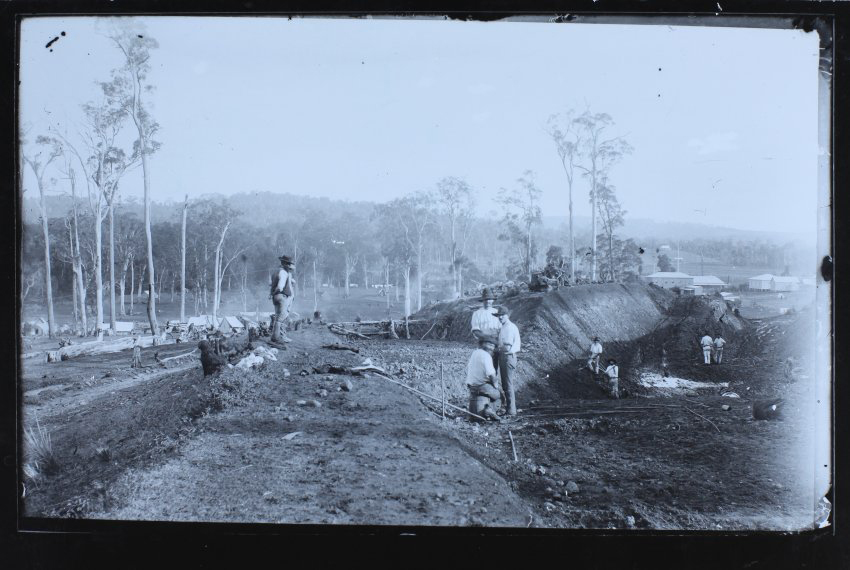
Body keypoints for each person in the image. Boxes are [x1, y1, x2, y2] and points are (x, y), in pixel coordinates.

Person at [465, 336, 502, 422]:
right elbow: (492, 375)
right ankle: (489, 410)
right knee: (498, 395)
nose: (492, 349)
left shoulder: (475, 353)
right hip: (481, 386)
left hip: (471, 385)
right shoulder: (486, 356)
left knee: (475, 398)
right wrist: (496, 386)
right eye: (492, 346)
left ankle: (472, 414)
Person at [496, 306, 520, 417]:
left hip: (507, 357)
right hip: (505, 357)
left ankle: (511, 410)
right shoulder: (504, 327)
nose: (500, 317)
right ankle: (509, 408)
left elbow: (506, 347)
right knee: (506, 384)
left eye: (502, 315)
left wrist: (495, 349)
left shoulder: (509, 328)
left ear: (507, 315)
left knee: (508, 384)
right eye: (498, 315)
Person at [471, 288, 501, 373]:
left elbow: (501, 329)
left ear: (493, 300)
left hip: (495, 344)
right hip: (484, 344)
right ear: (483, 301)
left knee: (494, 369)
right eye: (486, 300)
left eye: (489, 299)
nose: (488, 302)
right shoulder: (477, 314)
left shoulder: (497, 312)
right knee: (484, 368)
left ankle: (494, 385)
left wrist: (497, 341)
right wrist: (487, 338)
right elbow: (476, 331)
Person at [270, 255, 295, 345]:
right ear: (284, 263)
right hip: (281, 296)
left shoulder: (275, 272)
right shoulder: (284, 273)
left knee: (278, 316)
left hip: (276, 297)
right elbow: (280, 287)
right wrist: (276, 291)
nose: (289, 266)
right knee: (281, 318)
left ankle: (278, 336)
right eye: (288, 264)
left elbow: (271, 284)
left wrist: (272, 293)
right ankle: (275, 337)